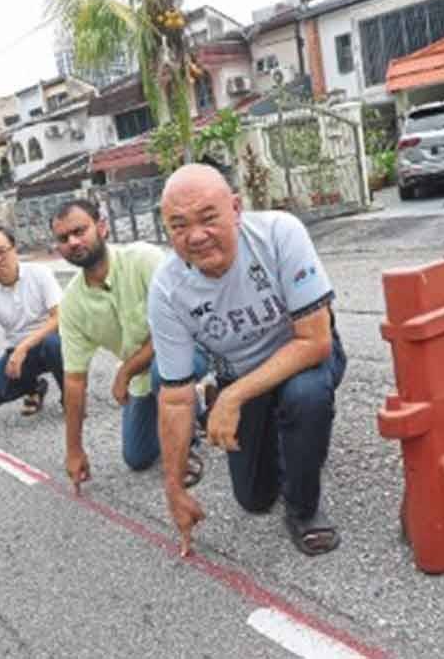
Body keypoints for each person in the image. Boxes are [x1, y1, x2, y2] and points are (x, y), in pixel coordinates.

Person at [148, 164, 347, 557]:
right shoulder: (167, 290)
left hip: (300, 357)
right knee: (254, 499)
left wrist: (232, 398)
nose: (197, 236)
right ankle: (281, 431)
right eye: (179, 225)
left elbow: (315, 341)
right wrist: (173, 489)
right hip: (240, 373)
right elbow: (173, 396)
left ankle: (304, 509)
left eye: (208, 218)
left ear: (236, 209)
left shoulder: (278, 233)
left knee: (305, 397)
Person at [51, 199, 208, 493]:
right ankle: (199, 403)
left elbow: (178, 329)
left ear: (101, 227)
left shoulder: (144, 259)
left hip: (188, 351)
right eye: (63, 238)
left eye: (79, 231)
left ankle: (184, 449)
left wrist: (125, 371)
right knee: (136, 457)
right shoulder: (72, 303)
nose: (72, 242)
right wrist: (74, 450)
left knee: (165, 370)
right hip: (141, 377)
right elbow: (74, 380)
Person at [0, 225, 64, 419]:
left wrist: (23, 347)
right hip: (19, 355)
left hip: (53, 342)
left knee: (53, 344)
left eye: (1, 251)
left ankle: (71, 396)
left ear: (14, 248)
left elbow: (60, 317)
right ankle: (35, 387)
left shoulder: (40, 273)